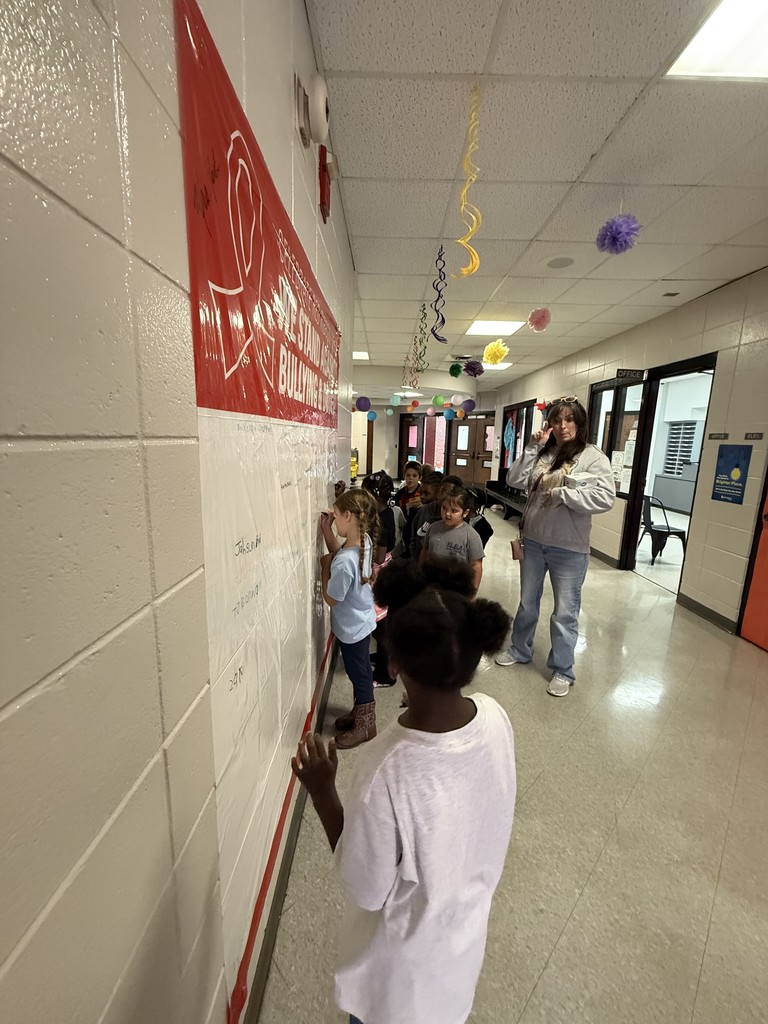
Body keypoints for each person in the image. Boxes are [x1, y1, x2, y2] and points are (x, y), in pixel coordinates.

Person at [291, 558, 516, 1024]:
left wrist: (323, 792)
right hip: (460, 954)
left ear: (392, 664)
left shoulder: (384, 769)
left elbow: (366, 887)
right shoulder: (495, 718)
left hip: (397, 987)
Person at [495, 397, 615, 696]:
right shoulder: (544, 453)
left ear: (579, 423)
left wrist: (564, 495)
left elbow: (605, 499)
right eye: (557, 420)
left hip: (569, 549)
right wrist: (532, 448)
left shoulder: (592, 457)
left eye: (569, 420)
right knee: (527, 602)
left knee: (565, 612)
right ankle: (520, 650)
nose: (563, 426)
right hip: (534, 542)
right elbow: (513, 478)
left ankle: (563, 669)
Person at [319, 489, 379, 748]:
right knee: (362, 670)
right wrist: (326, 531)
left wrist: (323, 568)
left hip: (353, 628)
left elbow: (332, 598)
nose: (335, 520)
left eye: (337, 516)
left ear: (348, 516)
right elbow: (341, 553)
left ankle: (367, 724)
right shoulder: (363, 541)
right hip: (361, 622)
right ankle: (361, 711)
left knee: (359, 674)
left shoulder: (343, 563)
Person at [420, 486, 485, 593]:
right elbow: (425, 552)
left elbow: (476, 565)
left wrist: (472, 592)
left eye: (454, 511)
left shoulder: (471, 536)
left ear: (465, 513)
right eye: (444, 508)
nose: (447, 514)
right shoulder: (433, 528)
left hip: (457, 588)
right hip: (432, 584)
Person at [409, 472, 464, 559]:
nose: (444, 494)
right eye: (443, 490)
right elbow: (413, 539)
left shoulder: (459, 517)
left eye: (448, 491)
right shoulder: (423, 510)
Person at [393, 460, 422, 555]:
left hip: (417, 528)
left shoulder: (422, 494)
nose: (410, 479)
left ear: (419, 477)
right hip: (403, 528)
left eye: (414, 476)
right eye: (408, 475)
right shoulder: (400, 493)